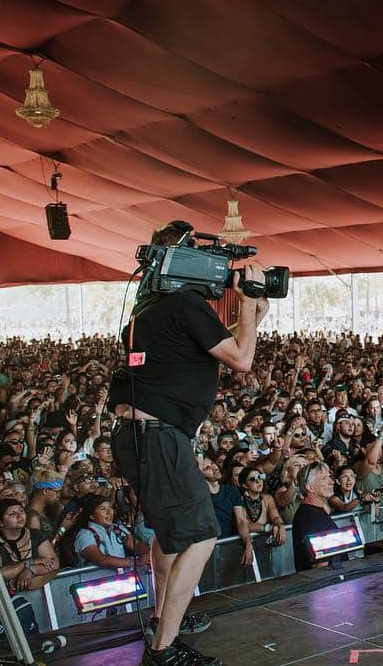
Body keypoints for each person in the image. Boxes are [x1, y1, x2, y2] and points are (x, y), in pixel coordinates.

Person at [108, 220, 269, 666]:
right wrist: (248, 303)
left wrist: (252, 307)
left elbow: (233, 340)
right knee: (200, 534)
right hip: (158, 437)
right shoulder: (186, 305)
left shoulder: (149, 311)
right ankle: (162, 648)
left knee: (172, 535)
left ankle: (165, 619)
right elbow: (242, 358)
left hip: (139, 436)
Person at [291, 461, 341, 572]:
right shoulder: (310, 518)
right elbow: (320, 567)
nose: (331, 482)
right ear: (310, 487)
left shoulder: (314, 512)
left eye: (329, 477)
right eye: (324, 478)